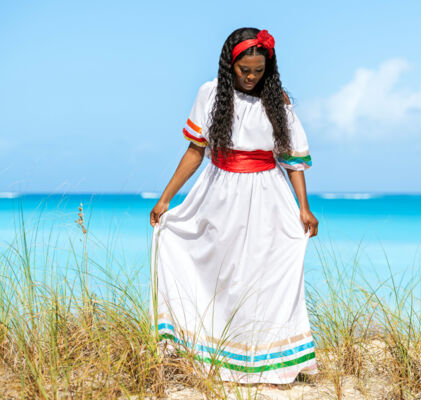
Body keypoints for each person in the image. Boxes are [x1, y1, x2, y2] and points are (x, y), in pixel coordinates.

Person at [149, 27, 319, 385]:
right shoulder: (209, 95)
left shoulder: (278, 104)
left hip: (267, 198)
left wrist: (304, 207)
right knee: (220, 272)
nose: (252, 77)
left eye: (259, 71)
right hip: (218, 194)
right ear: (231, 65)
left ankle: (263, 360)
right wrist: (166, 198)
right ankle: (213, 355)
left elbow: (292, 161)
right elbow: (196, 151)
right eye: (245, 70)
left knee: (259, 276)